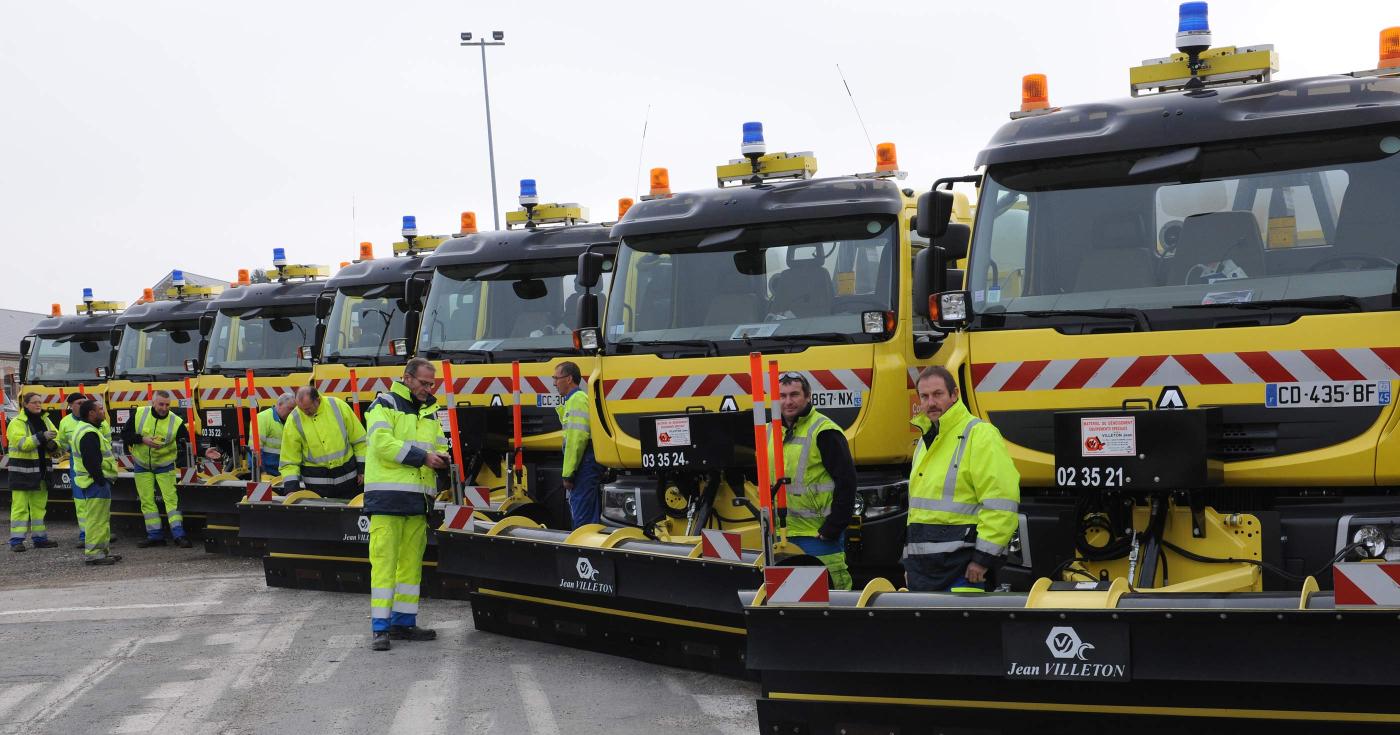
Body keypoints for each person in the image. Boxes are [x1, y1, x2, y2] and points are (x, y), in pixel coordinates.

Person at [903, 366, 1020, 592]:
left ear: (954, 394)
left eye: (938, 394)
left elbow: (1001, 503)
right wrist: (909, 562)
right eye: (924, 396)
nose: (931, 403)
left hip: (964, 569)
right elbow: (917, 511)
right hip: (924, 571)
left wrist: (983, 559)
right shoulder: (925, 440)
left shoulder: (980, 434)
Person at [364, 357, 449, 651]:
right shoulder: (383, 404)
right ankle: (380, 628)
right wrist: (423, 457)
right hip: (387, 500)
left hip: (418, 501)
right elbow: (381, 444)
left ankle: (404, 623)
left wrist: (442, 456)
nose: (428, 388)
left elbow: (440, 443)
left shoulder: (429, 410)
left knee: (410, 566)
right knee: (384, 565)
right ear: (407, 378)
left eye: (431, 384)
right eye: (424, 383)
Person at [771, 372, 856, 590]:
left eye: (794, 395)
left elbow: (847, 482)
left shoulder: (824, 431)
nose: (788, 401)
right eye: (782, 395)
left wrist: (833, 527)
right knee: (788, 596)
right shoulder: (771, 431)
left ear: (808, 397)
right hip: (782, 534)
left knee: (832, 597)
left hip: (818, 535)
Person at [122, 390, 193, 548]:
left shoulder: (176, 421)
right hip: (142, 464)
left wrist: (203, 451)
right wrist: (142, 440)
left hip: (164, 465)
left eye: (167, 405)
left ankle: (179, 535)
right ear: (153, 402)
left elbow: (187, 441)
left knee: (171, 501)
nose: (164, 408)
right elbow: (125, 435)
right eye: (161, 404)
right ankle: (155, 536)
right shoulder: (140, 413)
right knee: (147, 501)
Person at [279, 386, 366, 500]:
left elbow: (360, 441)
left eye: (308, 409)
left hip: (350, 483)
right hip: (317, 490)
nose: (305, 413)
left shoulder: (338, 406)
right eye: (301, 409)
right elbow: (289, 460)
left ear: (317, 400)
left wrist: (363, 469)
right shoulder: (293, 419)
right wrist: (291, 489)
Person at [7, 393, 60, 551]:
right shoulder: (17, 422)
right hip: (22, 473)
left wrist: (54, 446)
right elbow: (22, 444)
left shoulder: (45, 419)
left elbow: (57, 436)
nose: (39, 405)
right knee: (20, 507)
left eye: (40, 402)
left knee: (39, 507)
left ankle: (40, 538)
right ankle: (16, 541)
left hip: (41, 472)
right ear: (25, 404)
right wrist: (41, 436)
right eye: (35, 402)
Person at [72, 399, 121, 565]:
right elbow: (91, 460)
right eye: (100, 409)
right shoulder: (89, 433)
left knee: (100, 519)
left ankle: (102, 552)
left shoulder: (87, 429)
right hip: (95, 483)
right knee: (97, 520)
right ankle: (94, 554)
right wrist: (100, 480)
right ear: (91, 413)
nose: (103, 411)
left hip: (93, 482)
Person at [553, 361, 601, 528]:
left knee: (582, 518)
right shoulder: (576, 399)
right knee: (587, 514)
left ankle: (583, 550)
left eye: (556, 378)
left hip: (583, 464)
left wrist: (568, 474)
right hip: (586, 462)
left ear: (569, 379)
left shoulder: (577, 400)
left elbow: (576, 440)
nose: (554, 383)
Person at [55, 393, 89, 548]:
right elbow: (61, 444)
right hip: (76, 466)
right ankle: (85, 534)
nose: (82, 405)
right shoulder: (65, 423)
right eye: (78, 403)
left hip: (94, 465)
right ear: (70, 405)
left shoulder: (94, 417)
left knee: (97, 502)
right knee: (81, 502)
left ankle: (100, 533)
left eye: (84, 402)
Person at [259, 394, 295, 477]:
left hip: (286, 472)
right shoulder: (263, 418)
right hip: (269, 473)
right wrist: (261, 472)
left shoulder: (291, 420)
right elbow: (255, 450)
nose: (292, 412)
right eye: (290, 408)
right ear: (279, 405)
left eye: (294, 409)